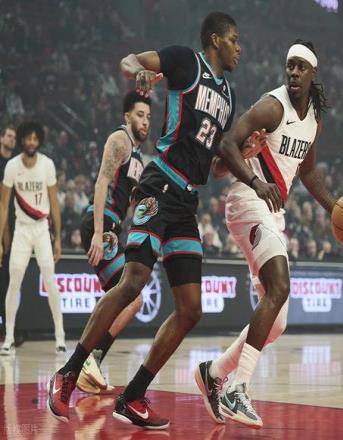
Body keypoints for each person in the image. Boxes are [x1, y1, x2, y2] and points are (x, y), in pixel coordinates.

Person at [48, 11, 280, 429]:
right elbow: (130, 60)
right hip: (159, 185)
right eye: (234, 39)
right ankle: (68, 373)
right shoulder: (185, 61)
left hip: (186, 200)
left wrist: (243, 156)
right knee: (132, 282)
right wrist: (137, 71)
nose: (239, 48)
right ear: (215, 40)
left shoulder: (228, 96)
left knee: (191, 309)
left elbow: (213, 167)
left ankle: (133, 396)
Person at [195, 40, 335, 428]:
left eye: (300, 67)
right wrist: (256, 181)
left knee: (277, 322)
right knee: (280, 286)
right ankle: (238, 387)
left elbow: (309, 172)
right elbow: (226, 144)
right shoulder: (273, 106)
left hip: (273, 211)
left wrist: (335, 208)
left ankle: (213, 372)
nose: (293, 72)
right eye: (289, 65)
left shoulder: (313, 118)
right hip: (248, 201)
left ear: (313, 73)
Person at [76, 91, 151, 395]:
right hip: (101, 223)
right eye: (139, 115)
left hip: (113, 227)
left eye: (148, 116)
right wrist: (98, 232)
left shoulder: (139, 159)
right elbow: (101, 183)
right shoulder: (119, 140)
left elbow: (131, 205)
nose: (145, 121)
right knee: (132, 297)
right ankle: (89, 358)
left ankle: (88, 362)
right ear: (126, 117)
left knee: (121, 297)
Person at [0, 122, 65, 355]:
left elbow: (54, 203)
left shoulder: (47, 164)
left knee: (50, 280)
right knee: (14, 282)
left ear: (39, 141)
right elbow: (3, 205)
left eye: (35, 139)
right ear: (22, 140)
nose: (31, 142)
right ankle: (8, 337)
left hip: (41, 230)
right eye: (28, 138)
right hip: (21, 230)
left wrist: (58, 239)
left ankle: (60, 336)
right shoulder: (12, 166)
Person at [0, 125, 16, 337]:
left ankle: (6, 327)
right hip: (2, 226)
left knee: (8, 279)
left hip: (13, 226)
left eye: (14, 137)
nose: (12, 139)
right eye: (9, 136)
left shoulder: (15, 164)